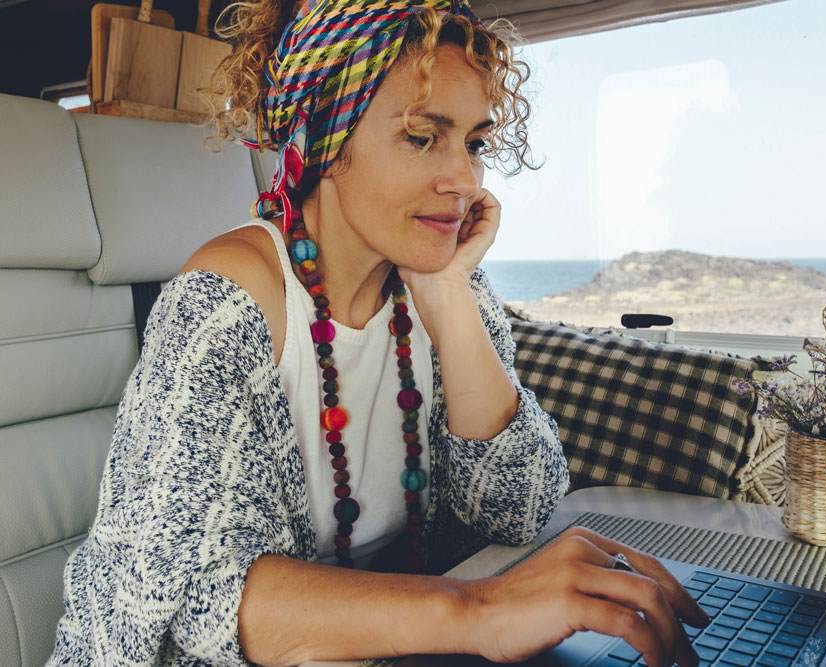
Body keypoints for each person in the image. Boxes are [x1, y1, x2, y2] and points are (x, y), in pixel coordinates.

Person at [47, 1, 707, 665]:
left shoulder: (439, 281)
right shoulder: (228, 301)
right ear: (322, 139)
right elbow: (191, 595)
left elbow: (520, 507)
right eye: (423, 137)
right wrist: (478, 609)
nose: (464, 180)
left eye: (474, 143)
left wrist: (448, 296)